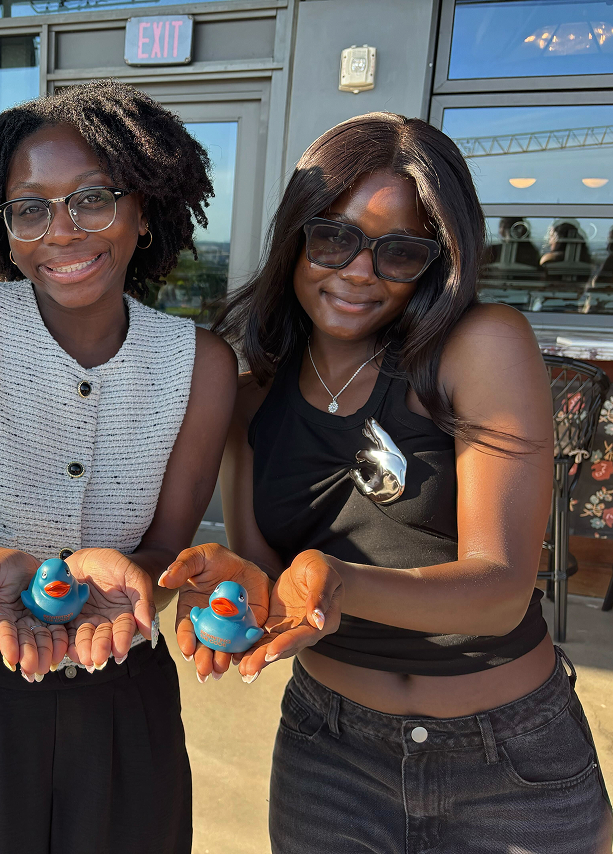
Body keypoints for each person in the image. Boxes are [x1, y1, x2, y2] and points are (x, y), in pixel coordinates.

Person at [161, 112, 613, 852]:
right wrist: (235, 588)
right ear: (294, 237)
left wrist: (334, 580)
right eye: (332, 236)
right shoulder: (250, 399)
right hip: (327, 753)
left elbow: (499, 592)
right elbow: (277, 586)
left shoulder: (477, 346)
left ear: (437, 260)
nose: (357, 271)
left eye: (398, 252)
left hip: (507, 761)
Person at [0, 81, 238, 853]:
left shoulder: (200, 364)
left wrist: (129, 581)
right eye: (30, 208)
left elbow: (168, 550)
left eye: (92, 199)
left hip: (126, 688)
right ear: (6, 228)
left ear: (143, 208)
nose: (63, 231)